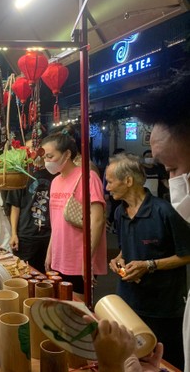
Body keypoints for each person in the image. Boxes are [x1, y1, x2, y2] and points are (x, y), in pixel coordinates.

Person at [106, 153, 190, 369]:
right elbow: (126, 249)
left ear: (128, 181)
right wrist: (118, 260)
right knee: (133, 356)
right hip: (129, 301)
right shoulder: (119, 212)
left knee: (165, 360)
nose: (107, 188)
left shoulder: (165, 211)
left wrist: (149, 265)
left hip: (162, 305)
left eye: (110, 181)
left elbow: (186, 254)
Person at [42, 130, 107, 301]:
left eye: (50, 156)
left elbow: (98, 220)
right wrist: (50, 252)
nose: (46, 161)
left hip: (79, 256)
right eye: (44, 157)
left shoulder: (88, 177)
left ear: (67, 154)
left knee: (78, 310)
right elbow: (56, 223)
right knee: (61, 304)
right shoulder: (55, 181)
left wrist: (87, 259)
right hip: (59, 254)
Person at [7, 161, 56, 274]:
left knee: (48, 276)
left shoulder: (56, 174)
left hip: (50, 236)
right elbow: (15, 206)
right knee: (24, 273)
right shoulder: (20, 175)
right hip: (25, 236)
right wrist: (13, 233)